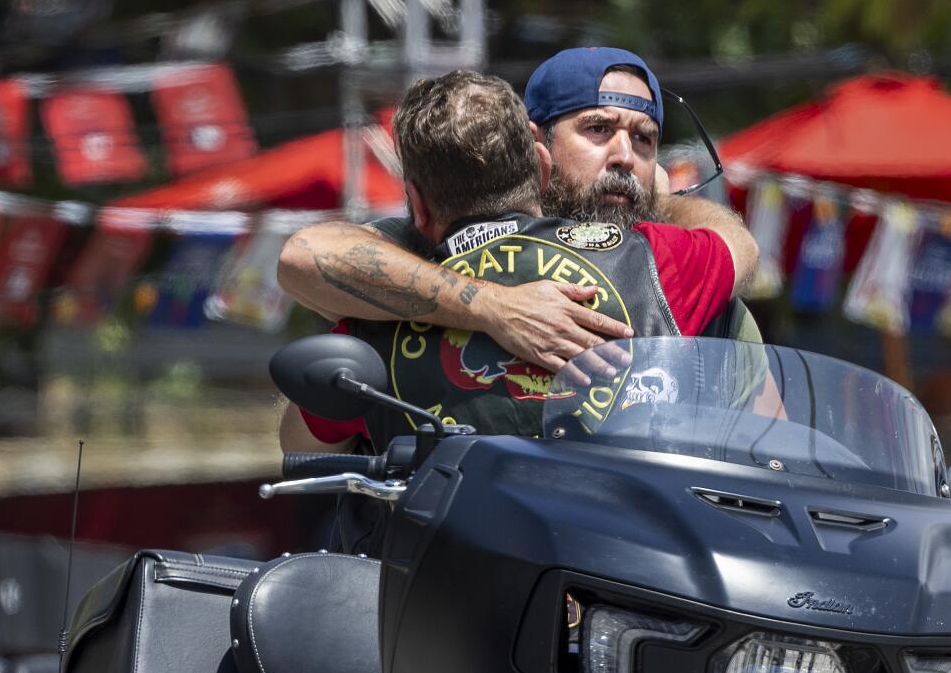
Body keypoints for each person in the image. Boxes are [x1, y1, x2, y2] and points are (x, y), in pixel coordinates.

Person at [278, 48, 759, 452]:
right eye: (598, 129)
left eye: (644, 139)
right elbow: (308, 254)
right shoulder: (413, 254)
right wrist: (495, 307)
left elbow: (766, 449)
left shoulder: (668, 268)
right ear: (537, 148)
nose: (625, 157)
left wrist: (660, 201)